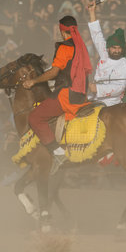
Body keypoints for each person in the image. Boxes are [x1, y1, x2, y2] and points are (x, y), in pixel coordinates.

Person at [23, 15, 92, 171]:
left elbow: (54, 73)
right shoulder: (81, 46)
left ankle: (58, 152)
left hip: (67, 94)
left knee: (35, 117)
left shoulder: (65, 47)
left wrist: (34, 81)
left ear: (62, 31)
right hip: (81, 93)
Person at [86, 0, 126, 106]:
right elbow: (97, 35)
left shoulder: (125, 64)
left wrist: (97, 88)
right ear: (108, 48)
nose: (117, 51)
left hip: (111, 103)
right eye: (114, 48)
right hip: (93, 97)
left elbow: (120, 87)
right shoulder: (105, 54)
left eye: (119, 48)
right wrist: (92, 12)